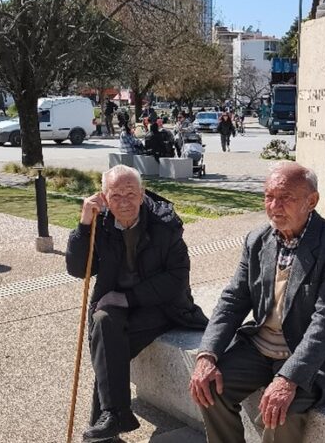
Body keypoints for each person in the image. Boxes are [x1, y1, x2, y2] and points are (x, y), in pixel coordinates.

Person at [189, 162, 325, 443]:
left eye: (286, 198)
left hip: (312, 358)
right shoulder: (257, 240)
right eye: (269, 196)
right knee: (209, 389)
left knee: (282, 412)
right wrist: (207, 354)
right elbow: (233, 300)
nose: (274, 206)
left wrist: (288, 378)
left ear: (312, 201)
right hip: (260, 347)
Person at [66, 165, 208, 442]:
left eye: (130, 193)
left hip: (163, 307)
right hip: (116, 306)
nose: (124, 201)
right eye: (115, 195)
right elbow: (78, 269)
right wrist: (83, 226)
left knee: (108, 351)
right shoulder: (100, 223)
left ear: (142, 195)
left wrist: (128, 297)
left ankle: (105, 428)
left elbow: (176, 279)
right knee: (105, 326)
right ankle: (114, 416)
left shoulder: (165, 224)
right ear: (104, 197)